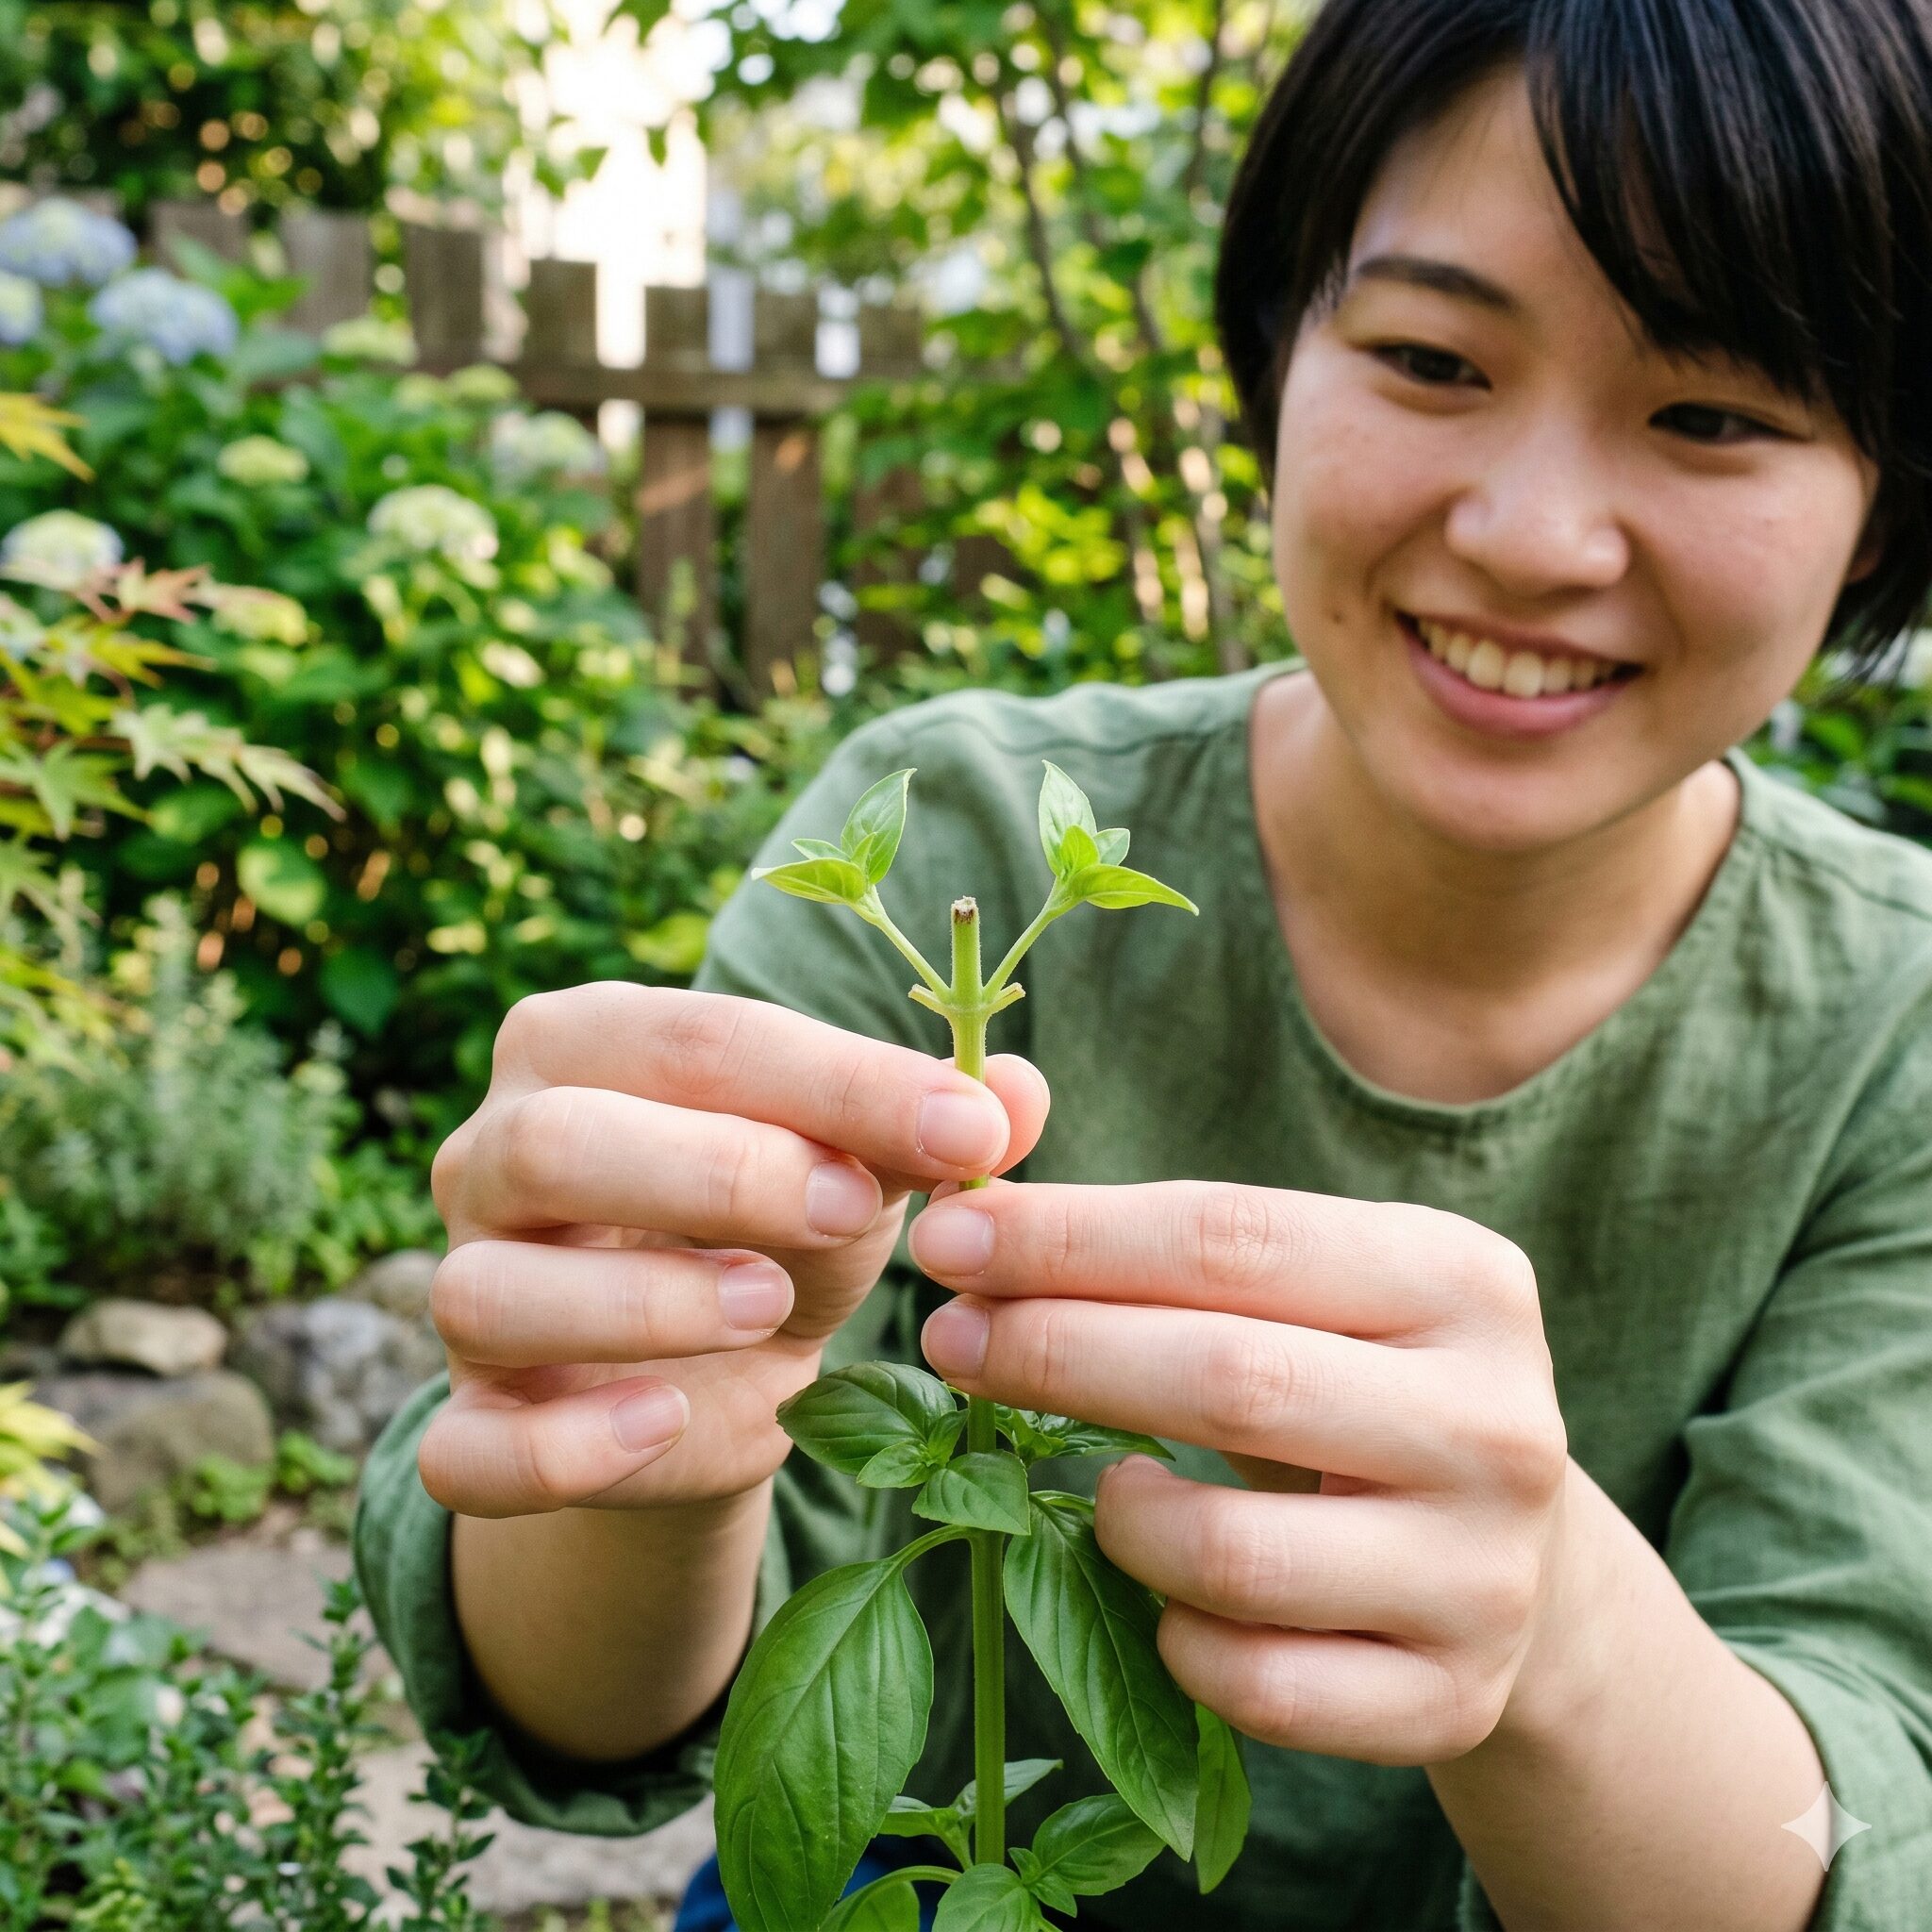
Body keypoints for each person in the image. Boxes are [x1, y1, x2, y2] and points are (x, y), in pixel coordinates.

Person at [354, 1, 1932, 1925]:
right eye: (1432, 355)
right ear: (1276, 359)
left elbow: (1849, 1819)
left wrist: (1561, 1638)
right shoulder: (946, 837)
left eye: (1711, 414)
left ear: (1883, 502)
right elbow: (593, 1704)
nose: (1528, 536)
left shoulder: (1897, 1020)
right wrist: (636, 1442)